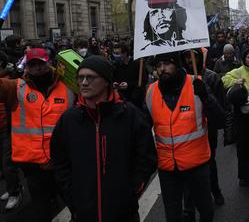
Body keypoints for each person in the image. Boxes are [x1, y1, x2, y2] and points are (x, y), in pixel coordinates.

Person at [51, 55, 157, 222]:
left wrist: (132, 190)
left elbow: (147, 157)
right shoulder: (69, 119)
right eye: (80, 77)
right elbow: (59, 161)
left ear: (107, 81)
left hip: (123, 213)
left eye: (90, 77)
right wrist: (72, 196)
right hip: (83, 213)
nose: (84, 83)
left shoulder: (129, 115)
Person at [146, 52, 225, 222]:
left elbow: (220, 120)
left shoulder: (196, 83)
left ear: (177, 64)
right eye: (158, 66)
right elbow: (142, 128)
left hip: (197, 164)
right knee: (173, 215)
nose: (162, 69)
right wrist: (135, 104)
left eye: (166, 64)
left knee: (205, 211)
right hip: (168, 167)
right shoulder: (150, 92)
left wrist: (205, 97)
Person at [0, 47, 75, 222]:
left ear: (48, 62)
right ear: (27, 66)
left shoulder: (70, 86)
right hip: (34, 166)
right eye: (32, 64)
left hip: (63, 162)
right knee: (41, 211)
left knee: (77, 205)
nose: (37, 68)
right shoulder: (15, 88)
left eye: (40, 63)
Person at [181, 48, 226, 222]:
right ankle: (189, 208)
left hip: (207, 130)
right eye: (185, 56)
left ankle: (215, 190)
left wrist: (204, 94)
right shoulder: (181, 79)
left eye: (191, 56)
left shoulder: (211, 77)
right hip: (187, 132)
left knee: (209, 164)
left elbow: (221, 107)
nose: (188, 59)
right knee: (188, 171)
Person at [222, 48, 249, 186]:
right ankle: (244, 176)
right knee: (242, 146)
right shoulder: (239, 71)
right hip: (240, 114)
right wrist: (235, 82)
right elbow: (224, 80)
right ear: (244, 59)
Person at [0, 50, 23, 210]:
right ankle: (11, 188)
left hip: (7, 126)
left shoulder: (9, 81)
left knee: (8, 163)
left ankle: (15, 191)